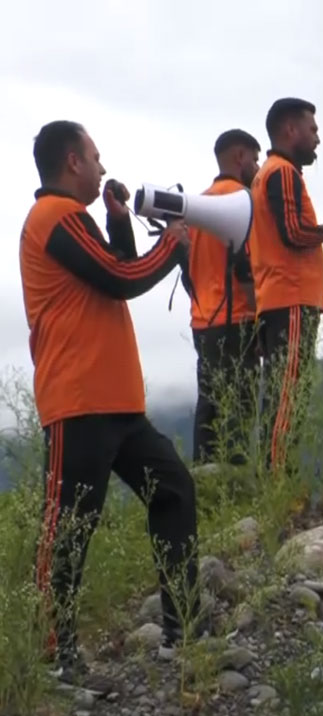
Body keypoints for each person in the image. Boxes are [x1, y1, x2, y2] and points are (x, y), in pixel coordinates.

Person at [18, 120, 203, 684]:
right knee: (68, 528)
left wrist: (119, 222)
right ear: (73, 161)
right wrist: (172, 245)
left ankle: (184, 627)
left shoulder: (75, 221)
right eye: (96, 158)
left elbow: (112, 266)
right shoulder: (51, 217)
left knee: (173, 489)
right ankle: (55, 657)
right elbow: (122, 278)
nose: (103, 168)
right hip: (78, 400)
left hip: (115, 401)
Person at [247, 97, 323, 473]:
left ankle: (274, 476)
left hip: (277, 296)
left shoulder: (266, 174)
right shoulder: (281, 173)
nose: (317, 139)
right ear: (290, 129)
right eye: (312, 130)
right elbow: (293, 232)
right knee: (287, 394)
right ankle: (276, 479)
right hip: (290, 296)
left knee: (282, 391)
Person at [184, 128, 262, 466]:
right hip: (238, 320)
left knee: (210, 405)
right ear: (240, 156)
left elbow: (188, 269)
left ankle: (202, 480)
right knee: (239, 410)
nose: (258, 167)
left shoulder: (197, 206)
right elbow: (245, 266)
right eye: (255, 159)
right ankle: (236, 483)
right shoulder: (242, 203)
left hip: (203, 321)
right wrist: (261, 319)